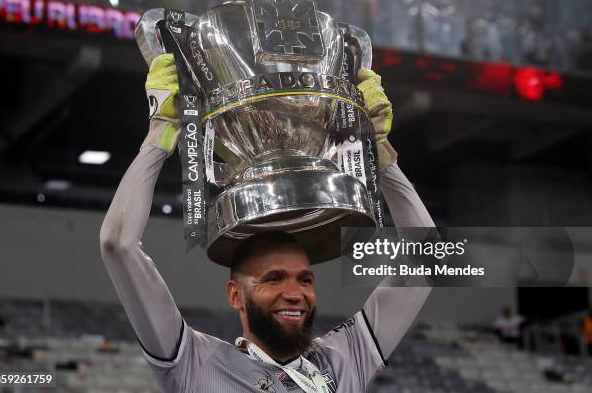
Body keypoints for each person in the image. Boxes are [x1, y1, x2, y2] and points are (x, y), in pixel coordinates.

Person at [99, 53, 435, 392]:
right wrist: (159, 136)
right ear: (235, 295)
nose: (295, 294)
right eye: (274, 279)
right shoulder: (195, 365)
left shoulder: (341, 361)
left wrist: (381, 153)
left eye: (305, 279)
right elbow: (118, 244)